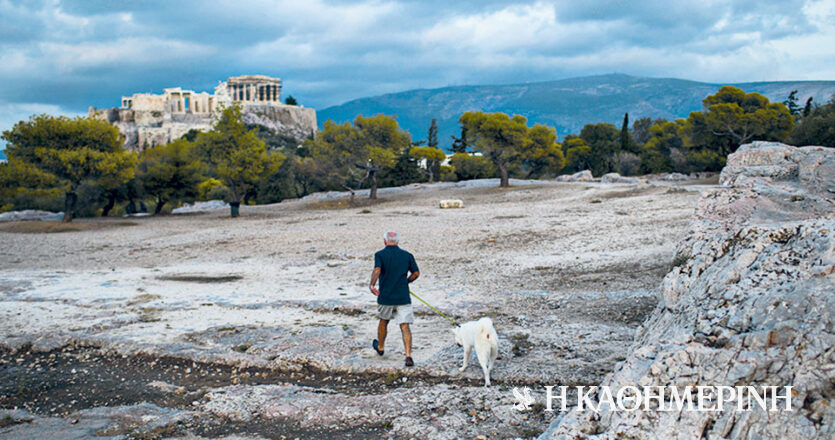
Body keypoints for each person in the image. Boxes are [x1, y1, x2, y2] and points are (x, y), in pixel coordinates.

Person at [370, 231, 420, 367]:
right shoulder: (407, 255)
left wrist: (372, 284)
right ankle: (408, 355)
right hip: (403, 295)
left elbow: (377, 270)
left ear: (385, 241)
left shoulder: (379, 255)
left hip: (386, 296)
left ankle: (380, 347)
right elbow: (416, 273)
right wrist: (407, 281)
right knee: (405, 326)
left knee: (383, 321)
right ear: (397, 241)